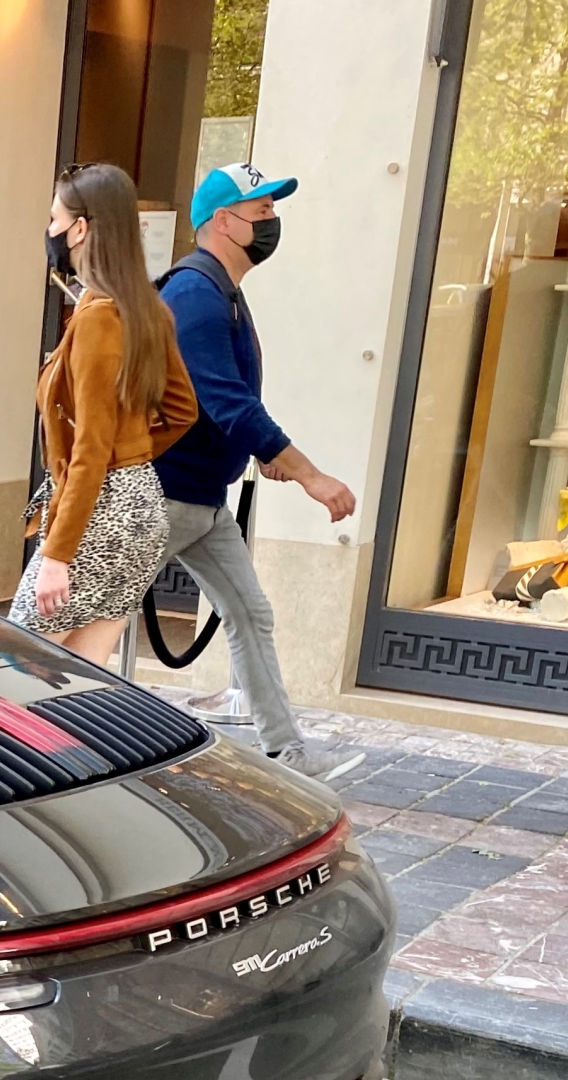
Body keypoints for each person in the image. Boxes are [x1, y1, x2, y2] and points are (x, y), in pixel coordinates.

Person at [155, 162, 362, 775]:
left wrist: (260, 453)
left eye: (273, 210)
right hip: (162, 497)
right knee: (84, 624)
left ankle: (287, 752)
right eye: (263, 212)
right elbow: (227, 401)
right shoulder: (194, 293)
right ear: (223, 222)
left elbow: (219, 402)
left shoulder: (220, 290)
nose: (273, 222)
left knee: (250, 615)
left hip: (197, 498)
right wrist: (308, 474)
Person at [13, 163, 197, 667]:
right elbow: (182, 410)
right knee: (77, 676)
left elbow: (91, 449)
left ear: (80, 228)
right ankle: (74, 749)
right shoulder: (145, 308)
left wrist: (56, 556)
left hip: (98, 513)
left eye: (54, 219)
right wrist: (133, 455)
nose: (49, 230)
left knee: (17, 667)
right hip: (140, 509)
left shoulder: (97, 318)